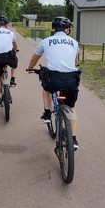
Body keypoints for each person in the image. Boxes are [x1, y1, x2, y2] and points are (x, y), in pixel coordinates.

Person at [26, 16, 81, 150]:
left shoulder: (46, 41)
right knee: (71, 108)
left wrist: (30, 68)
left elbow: (34, 58)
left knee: (46, 89)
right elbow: (75, 62)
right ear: (67, 29)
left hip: (54, 80)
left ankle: (46, 114)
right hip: (71, 80)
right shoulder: (74, 43)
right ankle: (73, 140)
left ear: (54, 29)